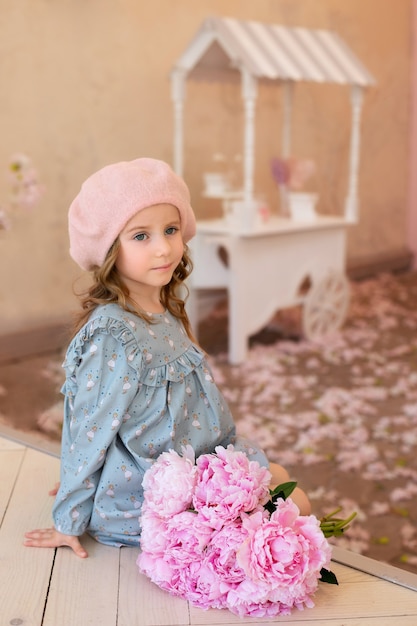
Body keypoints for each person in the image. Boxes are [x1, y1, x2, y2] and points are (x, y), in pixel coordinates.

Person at [24, 158, 310, 558]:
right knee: (292, 509)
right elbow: (91, 427)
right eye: (141, 236)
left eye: (171, 230)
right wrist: (70, 516)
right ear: (108, 249)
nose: (163, 248)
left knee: (283, 486)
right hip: (152, 492)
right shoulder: (113, 334)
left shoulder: (163, 307)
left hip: (198, 463)